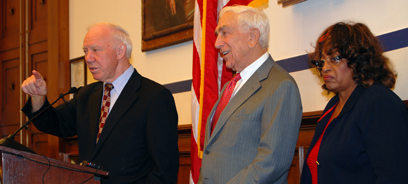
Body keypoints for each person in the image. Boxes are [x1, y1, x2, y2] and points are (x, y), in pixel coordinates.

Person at [21, 23, 179, 183]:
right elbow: (55, 123)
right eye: (85, 51)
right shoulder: (86, 95)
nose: (88, 58)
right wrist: (38, 97)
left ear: (120, 51)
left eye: (95, 50)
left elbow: (164, 171)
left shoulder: (154, 97)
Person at [198, 5, 303, 184]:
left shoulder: (280, 85)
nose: (216, 43)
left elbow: (271, 164)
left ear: (252, 37)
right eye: (217, 34)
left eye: (225, 33)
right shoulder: (230, 87)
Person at [301, 22, 408, 184]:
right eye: (322, 61)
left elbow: (394, 177)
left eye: (334, 59)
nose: (325, 68)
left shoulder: (379, 103)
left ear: (359, 59)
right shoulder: (332, 105)